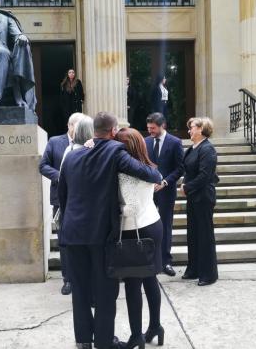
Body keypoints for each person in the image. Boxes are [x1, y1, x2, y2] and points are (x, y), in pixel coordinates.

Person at [58, 112, 161, 349]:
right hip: (100, 234)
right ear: (114, 131)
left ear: (94, 130)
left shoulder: (72, 156)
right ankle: (104, 342)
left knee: (80, 289)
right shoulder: (115, 152)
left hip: (73, 232)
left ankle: (83, 339)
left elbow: (63, 196)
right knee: (105, 291)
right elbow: (151, 175)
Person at [115, 127, 165, 349]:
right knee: (151, 278)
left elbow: (131, 207)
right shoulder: (149, 167)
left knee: (133, 284)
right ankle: (155, 326)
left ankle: (137, 335)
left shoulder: (126, 172)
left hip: (134, 229)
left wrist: (113, 209)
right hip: (153, 224)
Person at [39, 112, 86, 295]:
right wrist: (61, 177)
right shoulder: (54, 142)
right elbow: (43, 166)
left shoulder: (89, 143)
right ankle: (68, 279)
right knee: (64, 241)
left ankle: (83, 276)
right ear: (70, 126)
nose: (82, 130)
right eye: (79, 126)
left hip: (83, 200)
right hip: (61, 200)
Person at [181, 117, 219, 287]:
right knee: (193, 234)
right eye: (189, 128)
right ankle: (194, 269)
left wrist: (187, 187)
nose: (189, 130)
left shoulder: (207, 149)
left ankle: (208, 274)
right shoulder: (192, 149)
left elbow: (205, 176)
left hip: (203, 197)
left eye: (192, 127)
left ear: (202, 129)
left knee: (204, 235)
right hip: (193, 197)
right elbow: (188, 170)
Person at [145, 112, 184, 277]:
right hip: (148, 192)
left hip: (166, 191)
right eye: (148, 128)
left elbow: (180, 167)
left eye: (153, 128)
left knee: (166, 226)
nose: (150, 131)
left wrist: (165, 182)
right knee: (148, 226)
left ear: (163, 126)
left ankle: (166, 261)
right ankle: (151, 261)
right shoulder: (145, 141)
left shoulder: (175, 142)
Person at [60, 69, 84, 134]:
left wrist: (81, 99)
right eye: (70, 72)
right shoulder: (64, 84)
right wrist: (63, 106)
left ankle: (77, 134)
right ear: (67, 74)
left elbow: (81, 92)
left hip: (76, 105)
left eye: (73, 72)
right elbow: (62, 96)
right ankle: (70, 134)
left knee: (77, 121)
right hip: (67, 106)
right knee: (69, 121)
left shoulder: (78, 82)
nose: (71, 74)